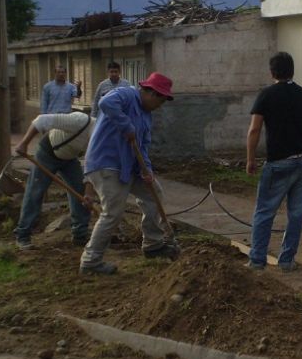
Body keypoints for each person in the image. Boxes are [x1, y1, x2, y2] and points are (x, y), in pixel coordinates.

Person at [79, 72, 178, 275]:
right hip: (107, 163)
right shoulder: (126, 94)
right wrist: (126, 125)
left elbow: (142, 148)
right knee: (112, 213)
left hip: (129, 166)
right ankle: (90, 261)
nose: (161, 105)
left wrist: (147, 171)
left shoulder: (146, 117)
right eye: (161, 100)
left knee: (154, 194)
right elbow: (105, 103)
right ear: (151, 93)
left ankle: (153, 244)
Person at [245, 52, 302, 272]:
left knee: (265, 211)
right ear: (292, 71)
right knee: (296, 214)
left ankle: (257, 260)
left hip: (278, 163)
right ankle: (287, 261)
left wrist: (250, 159)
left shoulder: (266, 95)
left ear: (272, 72)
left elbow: (255, 129)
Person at [13, 111, 96, 250]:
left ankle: (80, 235)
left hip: (69, 158)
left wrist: (89, 192)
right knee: (36, 192)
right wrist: (24, 143)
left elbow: (92, 164)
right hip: (47, 153)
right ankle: (22, 234)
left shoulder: (100, 140)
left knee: (80, 193)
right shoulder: (80, 121)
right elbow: (41, 120)